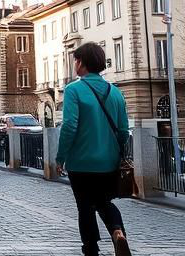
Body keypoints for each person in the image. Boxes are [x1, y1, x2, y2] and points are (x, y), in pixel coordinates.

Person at [56, 42, 131, 256]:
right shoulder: (115, 92)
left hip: (81, 161)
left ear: (81, 63)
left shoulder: (74, 90)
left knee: (85, 206)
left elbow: (69, 126)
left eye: (75, 61)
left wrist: (61, 157)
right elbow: (124, 130)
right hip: (109, 161)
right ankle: (118, 232)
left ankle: (90, 248)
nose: (74, 65)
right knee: (104, 201)